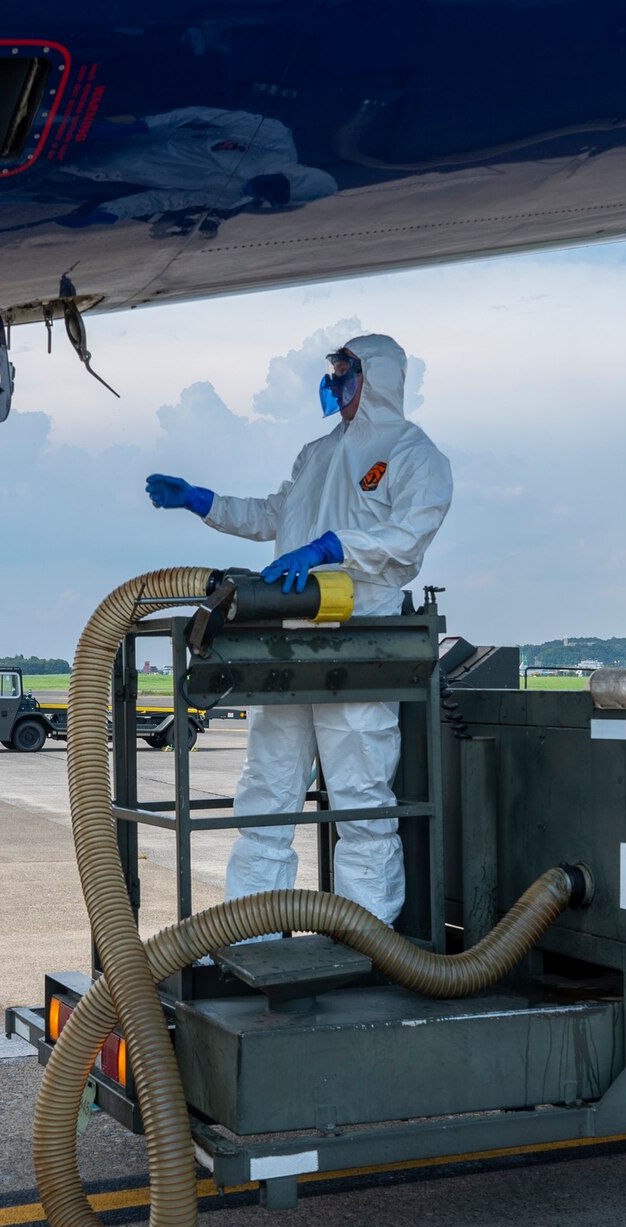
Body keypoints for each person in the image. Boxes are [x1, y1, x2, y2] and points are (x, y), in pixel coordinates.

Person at [144, 333, 451, 925]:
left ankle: (370, 936)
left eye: (344, 374)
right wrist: (202, 501)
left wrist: (333, 547)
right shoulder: (317, 453)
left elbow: (409, 537)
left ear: (376, 378)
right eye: (332, 374)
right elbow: (272, 515)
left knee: (360, 796)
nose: (335, 386)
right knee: (266, 788)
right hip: (287, 643)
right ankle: (250, 927)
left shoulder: (413, 453)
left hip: (359, 642)